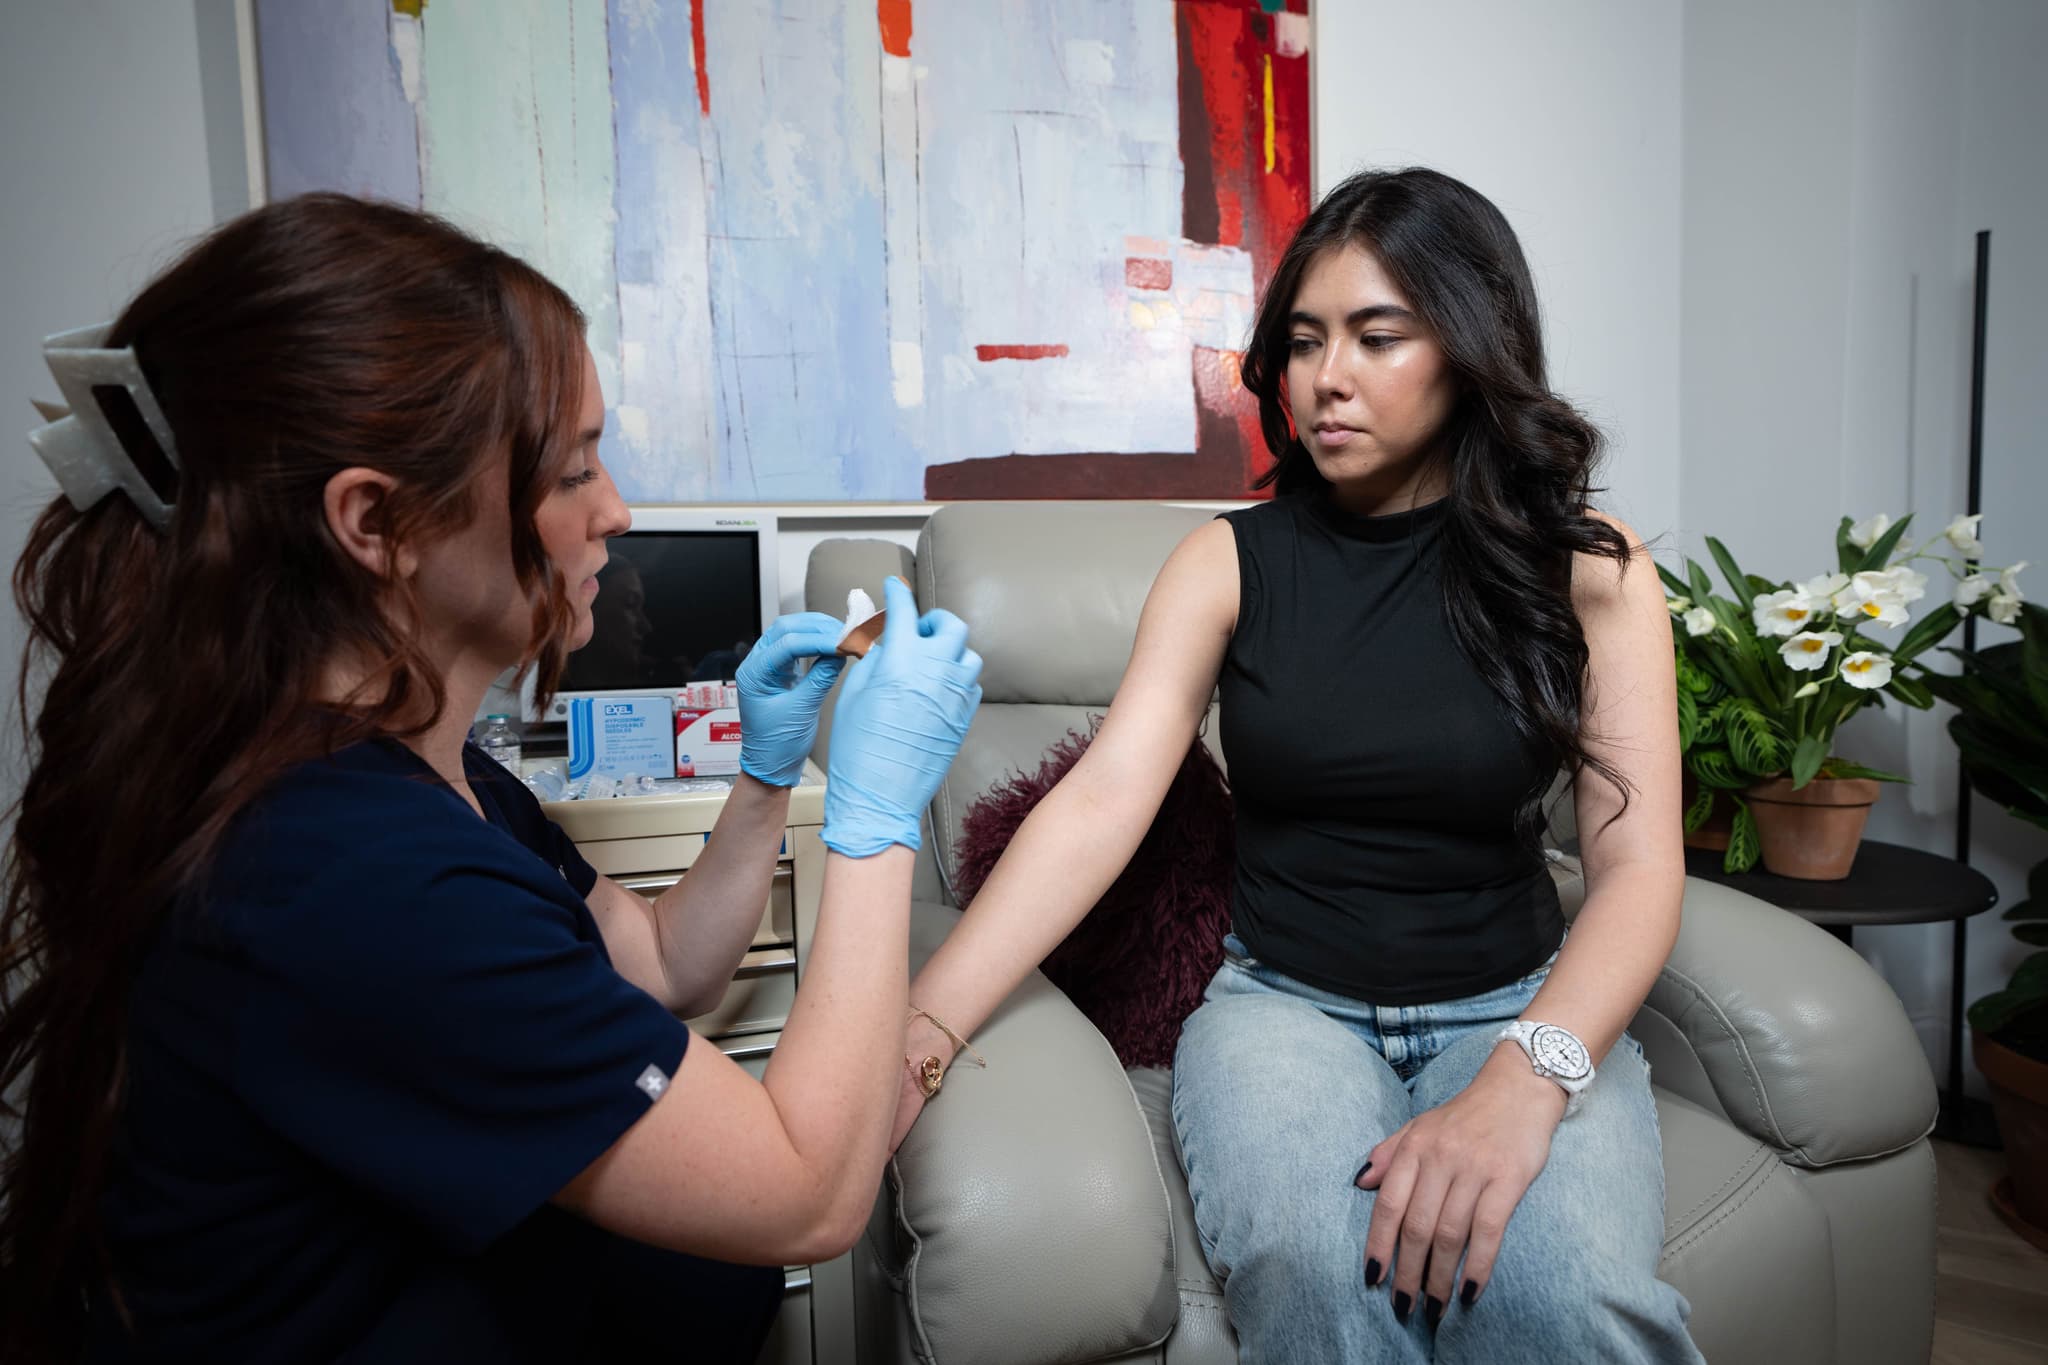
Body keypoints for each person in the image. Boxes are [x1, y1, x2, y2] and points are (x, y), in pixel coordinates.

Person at [0, 193, 981, 1363]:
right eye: (571, 473)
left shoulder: (424, 775)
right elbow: (808, 1195)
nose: (615, 511)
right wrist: (872, 821)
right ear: (379, 521)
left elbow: (667, 962)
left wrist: (768, 775)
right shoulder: (351, 876)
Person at [888, 168, 1702, 1362]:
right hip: (1283, 1012)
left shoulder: (1590, 566)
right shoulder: (1223, 563)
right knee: (1324, 1282)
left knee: (1561, 1302)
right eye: (1305, 341)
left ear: (1469, 346)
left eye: (1377, 336)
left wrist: (1526, 1076)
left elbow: (1635, 868)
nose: (1326, 377)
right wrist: (925, 1025)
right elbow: (1103, 801)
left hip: (1516, 1003)